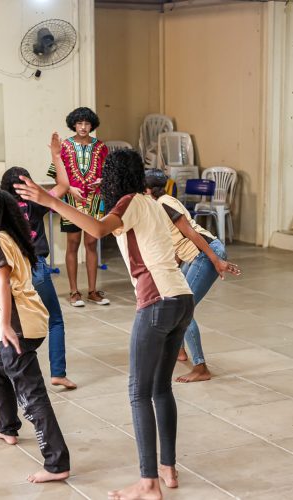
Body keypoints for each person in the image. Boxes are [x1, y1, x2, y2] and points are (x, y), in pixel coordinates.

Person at [15, 149, 194, 500]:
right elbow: (103, 220)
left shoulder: (129, 202)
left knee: (138, 392)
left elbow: (97, 229)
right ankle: (168, 470)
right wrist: (84, 195)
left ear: (114, 177)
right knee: (160, 389)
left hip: (157, 301)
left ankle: (148, 484)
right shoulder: (148, 202)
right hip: (181, 298)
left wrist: (49, 201)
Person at [0, 189, 71, 484]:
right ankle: (7, 427)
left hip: (19, 323)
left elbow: (4, 283)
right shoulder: (13, 237)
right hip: (31, 319)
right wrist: (1, 330)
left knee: (32, 396)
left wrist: (5, 325)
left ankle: (56, 463)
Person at [144, 169, 241, 383]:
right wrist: (174, 270)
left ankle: (200, 367)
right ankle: (179, 351)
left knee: (183, 310)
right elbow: (178, 240)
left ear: (149, 190)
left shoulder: (164, 204)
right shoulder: (162, 203)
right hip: (195, 255)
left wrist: (216, 260)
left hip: (204, 254)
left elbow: (190, 232)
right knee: (174, 302)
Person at [0, 132, 77, 390]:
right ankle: (58, 373)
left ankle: (12, 374)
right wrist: (56, 155)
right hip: (36, 268)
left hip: (9, 272)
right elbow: (63, 185)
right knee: (54, 320)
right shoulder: (36, 204)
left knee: (11, 324)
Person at [47, 107, 110, 307]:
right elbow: (56, 174)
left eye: (87, 123)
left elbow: (108, 173)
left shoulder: (101, 147)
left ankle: (92, 291)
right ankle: (74, 292)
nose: (83, 127)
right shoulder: (64, 146)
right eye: (79, 123)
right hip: (71, 202)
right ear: (73, 124)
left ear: (92, 125)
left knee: (91, 244)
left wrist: (101, 181)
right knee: (72, 244)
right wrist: (69, 188)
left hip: (94, 201)